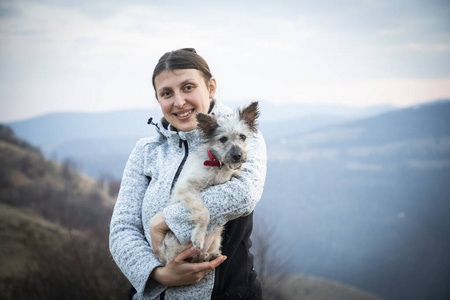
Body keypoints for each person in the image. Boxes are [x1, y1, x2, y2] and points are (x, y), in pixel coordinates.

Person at [109, 48, 267, 300]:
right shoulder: (146, 152)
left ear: (211, 87)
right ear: (158, 99)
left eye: (188, 87)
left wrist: (164, 221)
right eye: (167, 93)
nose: (179, 101)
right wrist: (158, 275)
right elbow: (122, 230)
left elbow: (243, 193)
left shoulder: (243, 134)